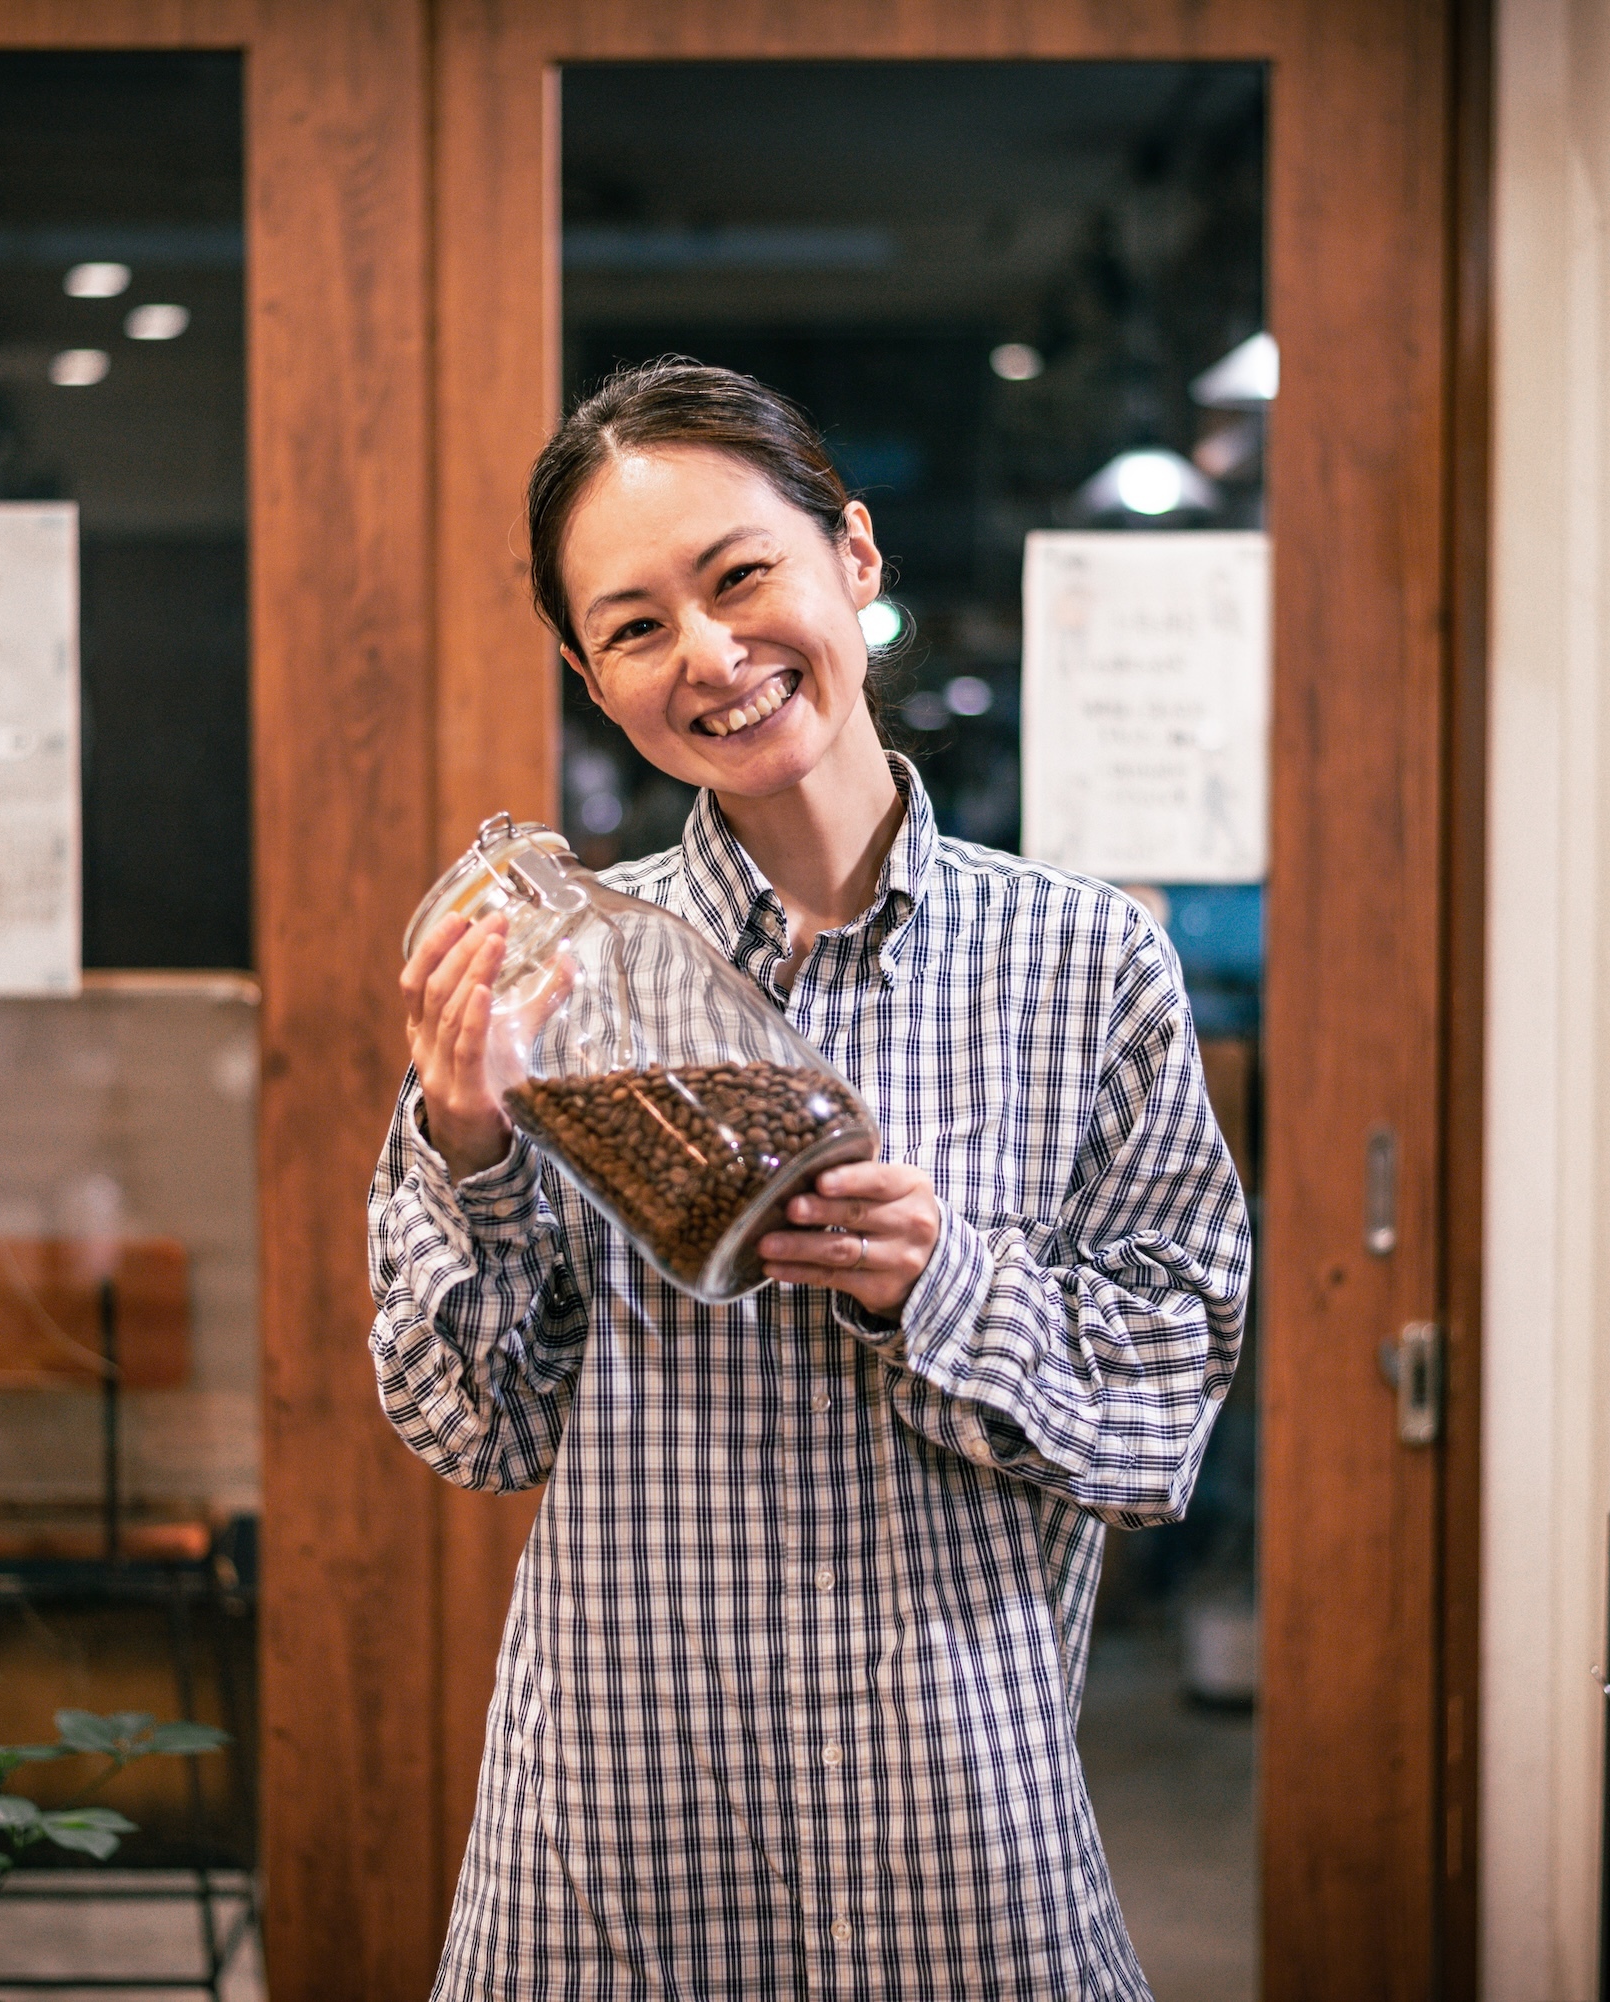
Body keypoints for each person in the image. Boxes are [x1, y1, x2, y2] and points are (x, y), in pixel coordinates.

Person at [369, 359, 1253, 2001]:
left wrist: (948, 1279)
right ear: (589, 673)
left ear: (853, 556)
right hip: (606, 1859)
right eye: (634, 626)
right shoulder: (560, 983)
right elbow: (467, 1423)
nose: (709, 656)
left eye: (740, 575)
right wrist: (470, 1139)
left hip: (957, 1844)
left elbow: (1162, 1407)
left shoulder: (1081, 963)